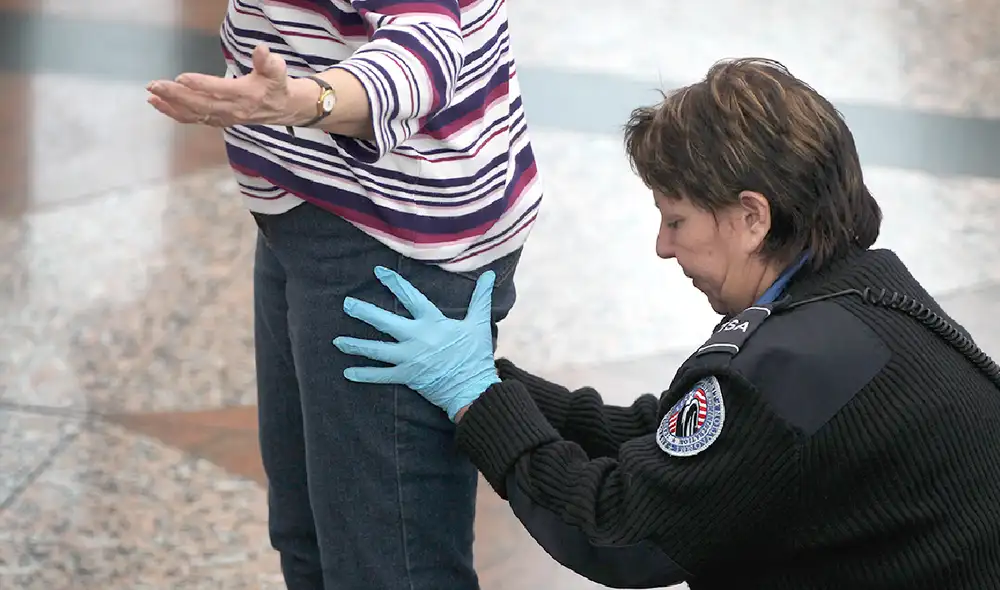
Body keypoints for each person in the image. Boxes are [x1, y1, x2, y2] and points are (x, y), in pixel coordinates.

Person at [331, 58, 1000, 589]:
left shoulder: (796, 368)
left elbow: (620, 531)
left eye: (675, 219)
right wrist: (498, 386)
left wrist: (475, 400)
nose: (663, 246)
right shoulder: (862, 299)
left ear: (751, 216)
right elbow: (668, 441)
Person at [145, 2, 542, 589]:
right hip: (306, 198)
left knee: (387, 567)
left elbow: (423, 52)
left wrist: (304, 102)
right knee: (310, 537)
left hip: (393, 239)